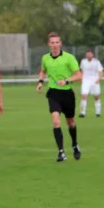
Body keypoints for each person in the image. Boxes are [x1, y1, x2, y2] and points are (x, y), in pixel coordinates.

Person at [37, 32, 82, 162]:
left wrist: (67, 81)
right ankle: (61, 152)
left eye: (57, 42)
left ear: (60, 43)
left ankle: (74, 144)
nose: (55, 45)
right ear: (48, 44)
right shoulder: (45, 58)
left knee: (70, 122)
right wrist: (40, 82)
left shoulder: (69, 58)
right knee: (56, 120)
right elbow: (43, 70)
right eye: (53, 43)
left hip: (67, 93)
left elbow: (79, 75)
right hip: (53, 93)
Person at [79, 49, 104, 118]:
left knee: (96, 97)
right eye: (87, 54)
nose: (88, 55)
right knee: (84, 95)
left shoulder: (96, 62)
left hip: (94, 81)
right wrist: (81, 78)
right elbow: (81, 71)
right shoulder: (83, 61)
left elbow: (101, 71)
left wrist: (99, 79)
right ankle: (82, 113)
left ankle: (98, 112)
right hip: (85, 81)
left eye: (89, 54)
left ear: (92, 54)